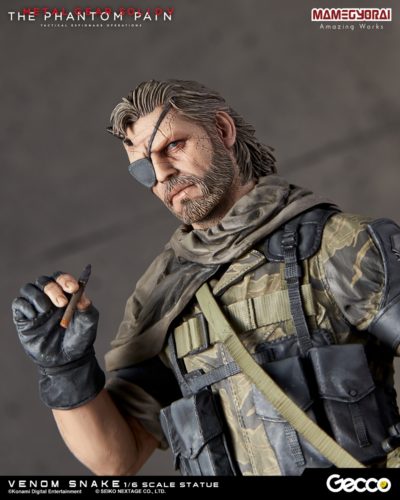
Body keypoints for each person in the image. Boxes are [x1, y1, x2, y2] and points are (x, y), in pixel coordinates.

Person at [12, 79, 400, 476]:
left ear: (222, 130)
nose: (161, 173)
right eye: (143, 167)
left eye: (174, 146)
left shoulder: (335, 244)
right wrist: (66, 369)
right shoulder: (164, 294)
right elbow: (116, 458)